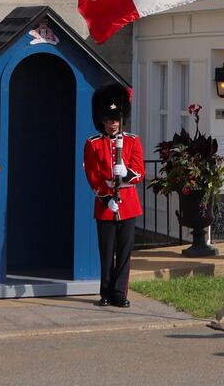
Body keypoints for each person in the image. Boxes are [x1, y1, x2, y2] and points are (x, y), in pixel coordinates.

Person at [83, 83, 145, 308]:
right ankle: (106, 292)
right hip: (106, 205)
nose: (113, 124)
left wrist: (127, 173)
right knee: (107, 253)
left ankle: (120, 292)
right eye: (109, 121)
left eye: (116, 120)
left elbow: (140, 172)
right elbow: (92, 176)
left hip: (128, 204)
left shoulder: (132, 141)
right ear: (103, 121)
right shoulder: (93, 144)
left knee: (124, 254)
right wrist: (106, 199)